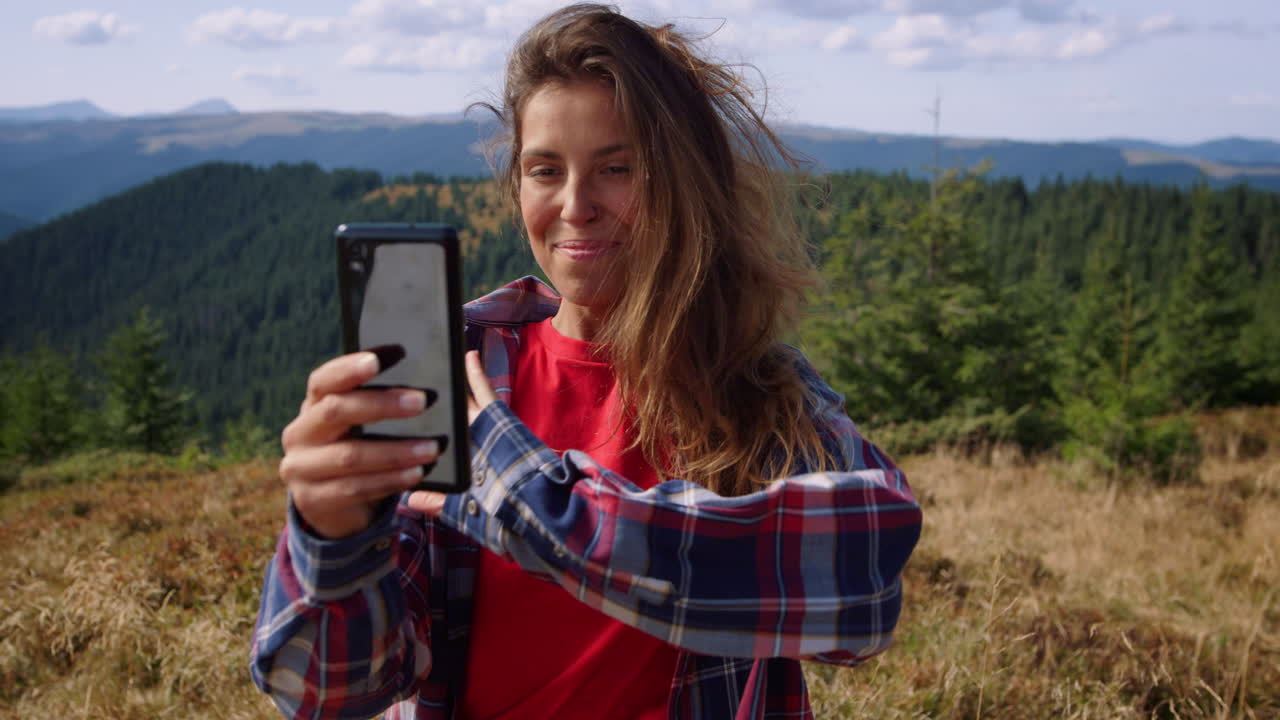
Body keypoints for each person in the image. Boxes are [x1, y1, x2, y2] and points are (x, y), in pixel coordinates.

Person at [250, 4, 922, 719]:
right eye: (545, 169)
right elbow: (330, 691)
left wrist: (520, 488)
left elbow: (863, 585)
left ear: (682, 184)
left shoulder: (753, 389)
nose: (575, 206)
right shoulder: (464, 376)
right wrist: (330, 537)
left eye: (617, 168)